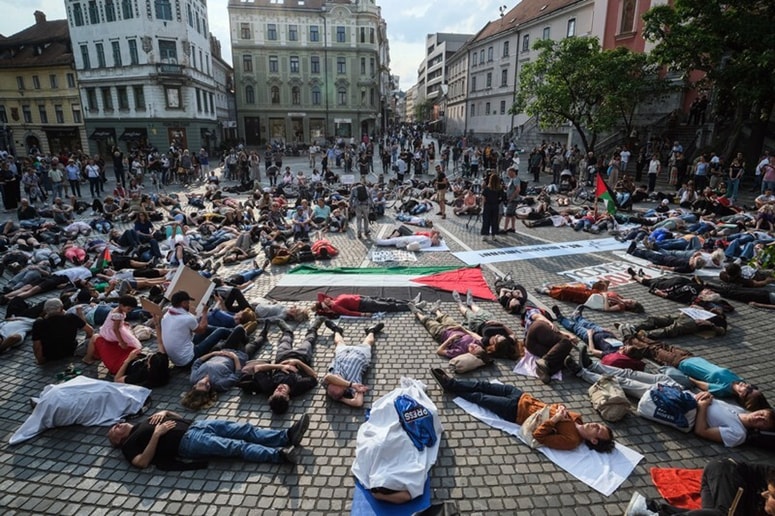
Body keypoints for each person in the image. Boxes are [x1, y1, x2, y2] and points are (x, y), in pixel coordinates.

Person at [429, 368, 614, 452]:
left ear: (594, 440)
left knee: (481, 398)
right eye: (599, 424)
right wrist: (561, 408)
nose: (595, 424)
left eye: (597, 429)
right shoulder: (578, 418)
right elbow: (553, 407)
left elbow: (539, 436)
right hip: (523, 397)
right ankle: (451, 383)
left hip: (516, 412)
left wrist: (556, 420)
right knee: (483, 385)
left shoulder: (571, 441)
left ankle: (450, 386)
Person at [107, 410, 311, 468]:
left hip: (197, 424)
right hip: (188, 443)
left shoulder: (141, 421)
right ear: (118, 441)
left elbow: (173, 415)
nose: (116, 425)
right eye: (114, 430)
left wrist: (165, 411)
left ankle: (286, 436)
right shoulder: (129, 446)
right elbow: (142, 462)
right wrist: (157, 435)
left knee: (245, 429)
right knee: (236, 447)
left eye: (116, 423)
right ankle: (279, 455)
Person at [238, 318, 330, 414]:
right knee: (310, 339)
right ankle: (316, 323)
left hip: (282, 357)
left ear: (271, 395)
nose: (280, 388)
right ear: (288, 397)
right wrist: (297, 362)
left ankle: (282, 324)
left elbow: (257, 368)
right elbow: (314, 376)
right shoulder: (298, 387)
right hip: (301, 356)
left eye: (277, 391)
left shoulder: (268, 387)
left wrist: (279, 367)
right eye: (282, 393)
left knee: (286, 337)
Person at [627, 459, 775, 516]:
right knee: (726, 515)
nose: (764, 494)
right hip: (724, 473)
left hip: (739, 501)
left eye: (772, 496)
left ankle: (652, 509)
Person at [160, 290, 245, 367]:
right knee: (220, 331)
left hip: (177, 359)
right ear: (183, 303)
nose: (189, 304)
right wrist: (204, 312)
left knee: (209, 328)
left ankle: (234, 332)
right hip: (189, 358)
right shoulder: (186, 318)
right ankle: (242, 336)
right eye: (188, 302)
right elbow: (201, 330)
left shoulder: (167, 315)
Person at [322, 322, 384, 407]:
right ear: (345, 389)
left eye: (333, 382)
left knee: (339, 342)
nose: (336, 378)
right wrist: (341, 399)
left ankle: (336, 330)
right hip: (361, 354)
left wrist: (350, 384)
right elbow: (358, 403)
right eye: (339, 383)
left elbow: (328, 377)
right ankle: (371, 331)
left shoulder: (330, 380)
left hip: (342, 353)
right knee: (369, 342)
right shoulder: (354, 384)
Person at [32, 298, 95, 365]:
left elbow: (37, 346)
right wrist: (86, 338)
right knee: (93, 339)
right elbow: (90, 331)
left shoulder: (38, 324)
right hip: (71, 350)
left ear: (45, 310)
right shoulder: (71, 317)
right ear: (62, 308)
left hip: (50, 355)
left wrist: (40, 360)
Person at [315, 293, 415, 317]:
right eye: (324, 301)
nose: (326, 297)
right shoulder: (335, 306)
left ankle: (410, 302)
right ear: (325, 305)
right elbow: (348, 312)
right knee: (386, 305)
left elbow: (320, 294)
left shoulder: (333, 300)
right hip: (363, 305)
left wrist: (323, 302)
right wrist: (363, 314)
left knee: (386, 299)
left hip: (362, 298)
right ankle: (409, 307)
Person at [480, 172, 503, 241]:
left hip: (487, 206)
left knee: (486, 220)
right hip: (495, 206)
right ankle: (494, 235)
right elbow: (501, 197)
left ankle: (485, 235)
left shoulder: (487, 189)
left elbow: (484, 199)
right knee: (494, 221)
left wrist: (482, 207)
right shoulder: (499, 189)